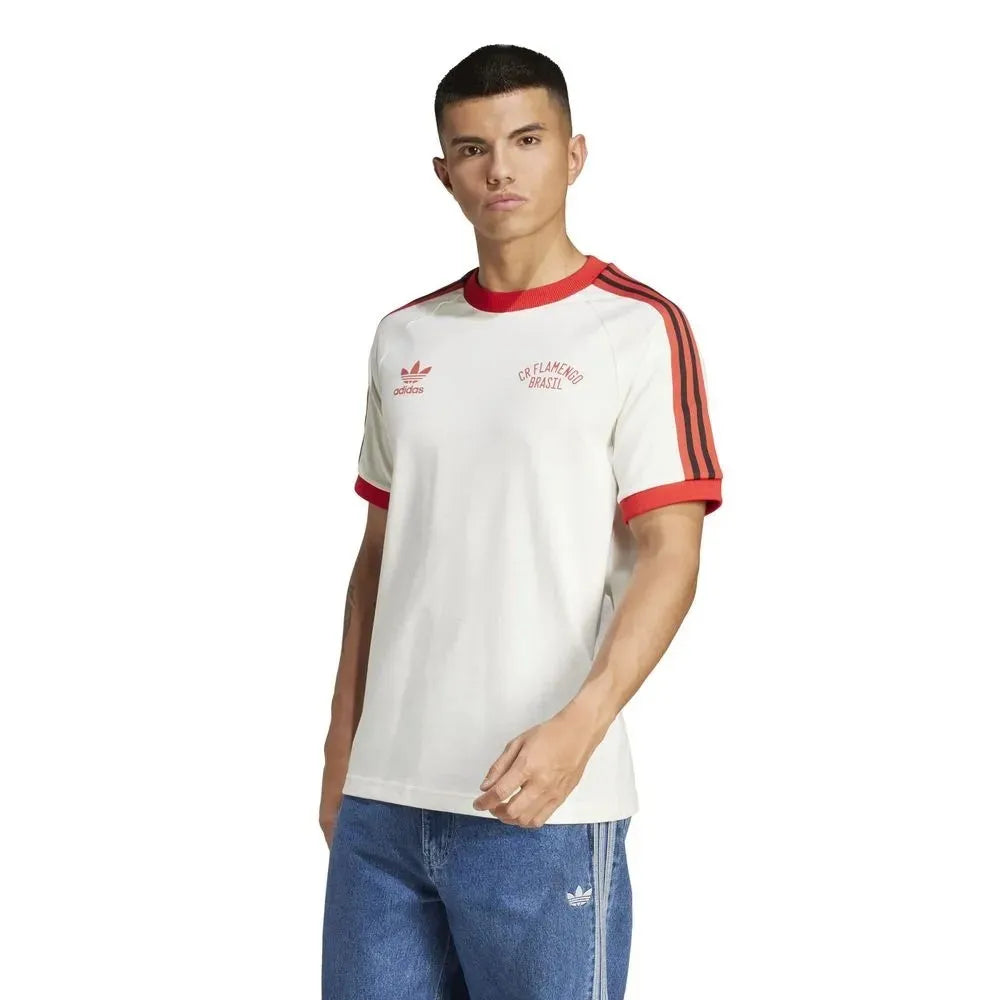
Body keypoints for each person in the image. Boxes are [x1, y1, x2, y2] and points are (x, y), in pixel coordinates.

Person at [318, 42, 723, 1000]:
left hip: (542, 805)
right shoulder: (403, 337)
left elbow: (671, 553)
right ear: (444, 172)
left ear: (574, 154)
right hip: (384, 805)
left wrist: (582, 727)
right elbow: (378, 561)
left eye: (527, 140)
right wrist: (340, 750)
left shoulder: (636, 329)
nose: (500, 168)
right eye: (473, 148)